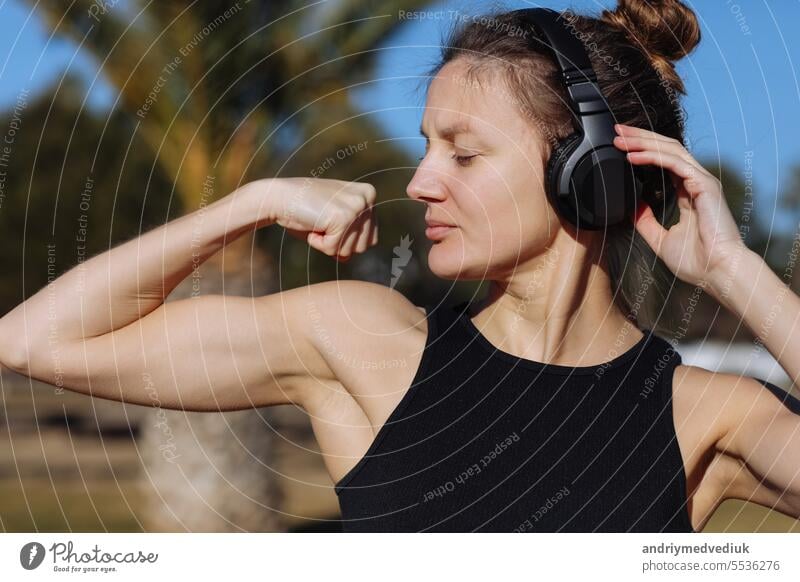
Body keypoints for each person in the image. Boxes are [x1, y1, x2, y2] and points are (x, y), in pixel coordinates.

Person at [2, 0, 799, 532]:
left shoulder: (706, 414)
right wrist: (250, 202)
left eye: (463, 152)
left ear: (588, 169)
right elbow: (34, 341)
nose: (421, 181)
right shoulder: (363, 343)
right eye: (424, 146)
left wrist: (736, 274)